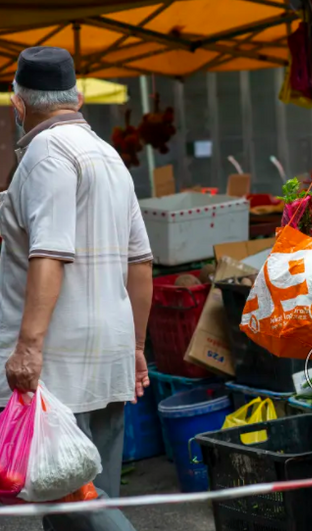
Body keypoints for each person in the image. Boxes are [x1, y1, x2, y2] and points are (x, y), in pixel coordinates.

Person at [0, 46, 152, 530]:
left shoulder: (45, 155)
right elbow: (141, 261)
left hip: (58, 363)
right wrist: (137, 346)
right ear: (78, 98)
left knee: (78, 502)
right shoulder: (107, 155)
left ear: (18, 104)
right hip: (107, 351)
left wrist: (27, 347)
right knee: (88, 494)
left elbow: (50, 253)